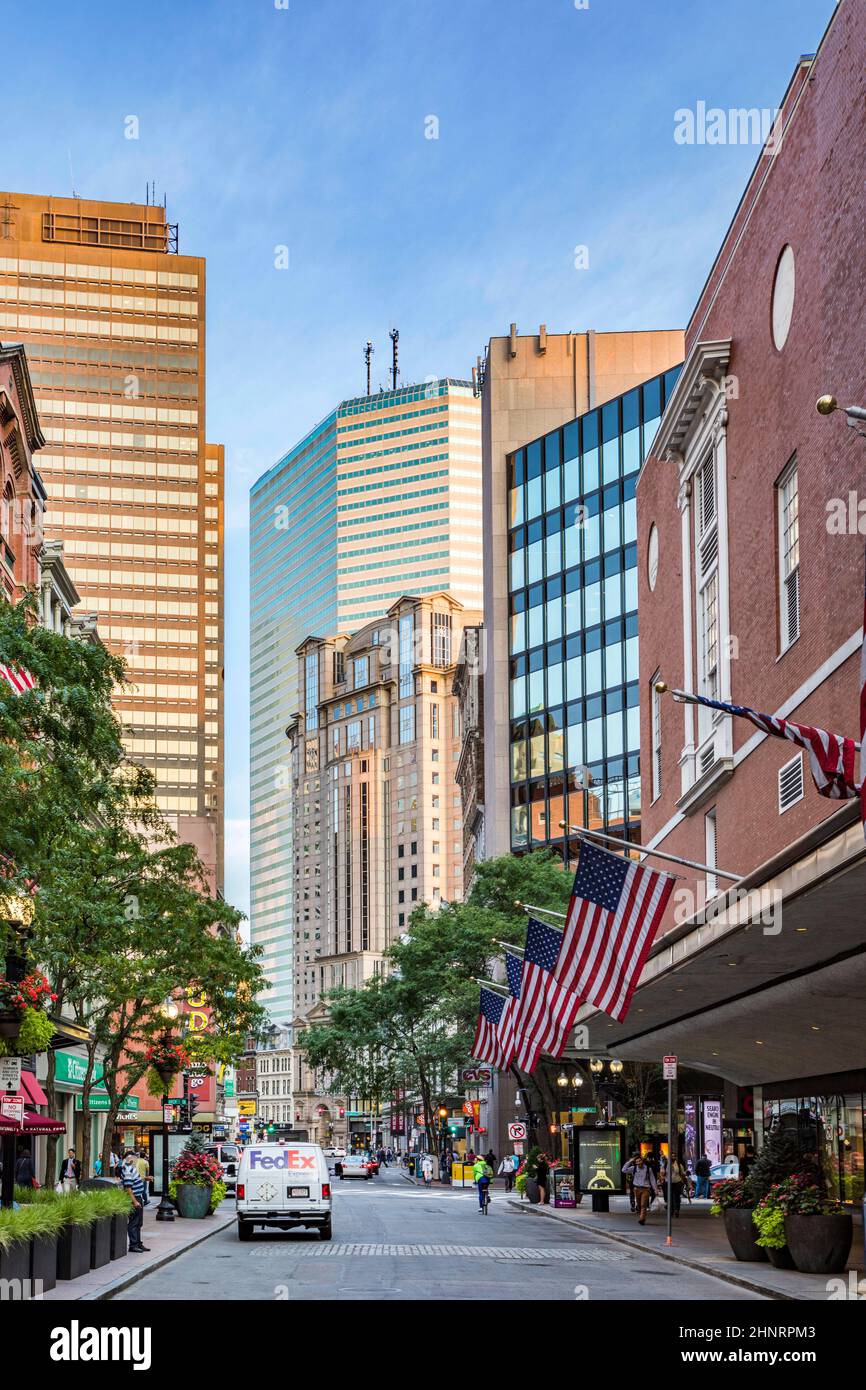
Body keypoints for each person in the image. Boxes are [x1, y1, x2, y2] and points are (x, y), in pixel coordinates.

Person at [120, 1150, 150, 1253]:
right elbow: (128, 1188)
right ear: (131, 1159)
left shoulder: (131, 1168)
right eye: (135, 1157)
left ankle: (138, 1243)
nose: (137, 1159)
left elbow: (133, 1181)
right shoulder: (128, 1170)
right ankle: (133, 1245)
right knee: (134, 1222)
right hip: (135, 1198)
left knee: (138, 1222)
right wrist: (134, 1202)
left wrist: (145, 1178)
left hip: (138, 1197)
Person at [622, 1153, 659, 1225]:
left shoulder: (648, 1169)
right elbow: (623, 1170)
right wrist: (630, 1161)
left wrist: (655, 1189)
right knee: (639, 1205)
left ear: (642, 1161)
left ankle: (642, 1219)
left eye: (640, 1161)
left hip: (646, 1189)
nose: (639, 1163)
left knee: (643, 1204)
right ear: (635, 1163)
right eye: (637, 1162)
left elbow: (652, 1179)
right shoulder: (634, 1168)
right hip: (636, 1189)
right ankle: (641, 1215)